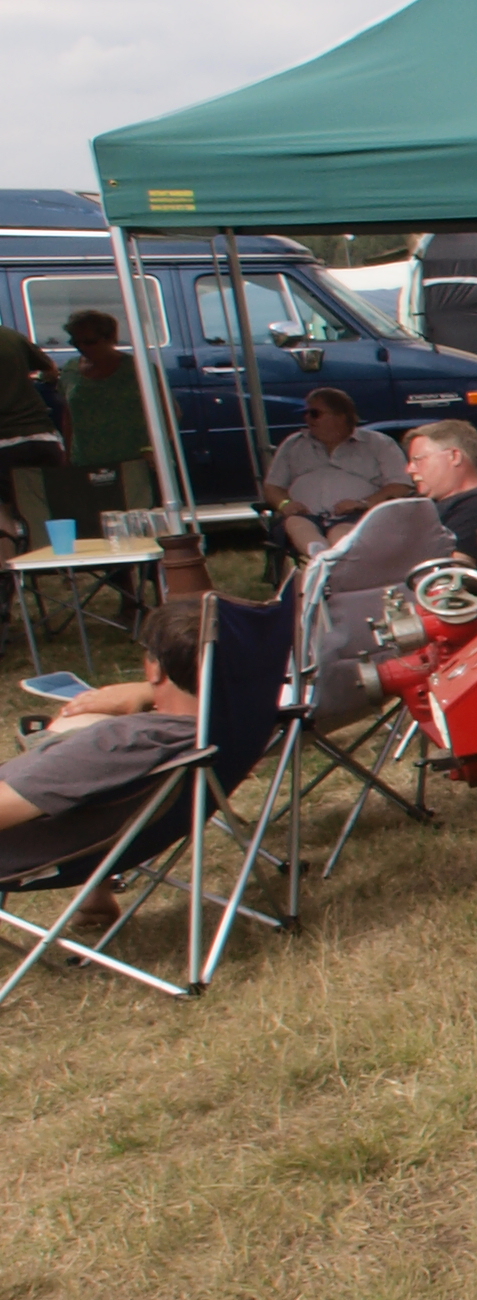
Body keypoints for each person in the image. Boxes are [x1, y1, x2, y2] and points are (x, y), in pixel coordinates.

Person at [2, 598, 205, 904]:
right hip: (99, 848)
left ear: (153, 668)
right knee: (79, 720)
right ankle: (95, 894)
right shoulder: (221, 731)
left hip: (22, 855)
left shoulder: (118, 742)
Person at [260, 387, 414, 556]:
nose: (307, 418)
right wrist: (285, 504)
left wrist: (363, 503)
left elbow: (401, 485)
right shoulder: (293, 444)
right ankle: (320, 556)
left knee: (342, 531)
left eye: (315, 413)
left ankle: (333, 559)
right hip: (304, 515)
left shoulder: (378, 444)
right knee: (295, 524)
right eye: (306, 413)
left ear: (341, 416)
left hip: (356, 517)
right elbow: (273, 486)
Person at [60, 310, 157, 520]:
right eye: (76, 342)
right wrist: (66, 456)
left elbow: (167, 413)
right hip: (85, 460)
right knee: (93, 520)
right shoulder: (70, 370)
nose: (83, 348)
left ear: (110, 338)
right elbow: (68, 416)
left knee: (136, 519)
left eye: (90, 341)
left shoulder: (138, 369)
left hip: (133, 460)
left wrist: (153, 448)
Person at [0, 317, 65, 556]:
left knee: (5, 514)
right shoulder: (10, 336)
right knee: (52, 506)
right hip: (41, 436)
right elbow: (49, 369)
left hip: (3, 443)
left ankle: (11, 577)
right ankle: (65, 566)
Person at [404, 419, 477, 568]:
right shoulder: (421, 502)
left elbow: (453, 573)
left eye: (418, 460)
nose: (410, 469)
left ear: (454, 456)